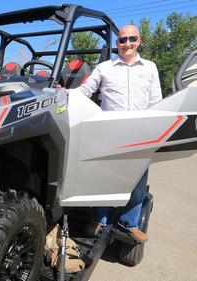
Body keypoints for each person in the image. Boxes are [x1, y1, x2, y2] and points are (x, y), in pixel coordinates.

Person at [71, 24, 163, 242]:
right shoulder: (104, 67)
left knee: (138, 180)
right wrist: (63, 93)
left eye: (131, 39)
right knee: (103, 176)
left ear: (139, 40)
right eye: (122, 40)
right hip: (109, 131)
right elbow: (84, 92)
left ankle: (129, 222)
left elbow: (156, 102)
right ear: (117, 43)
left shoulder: (150, 67)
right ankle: (98, 218)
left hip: (141, 132)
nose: (127, 44)